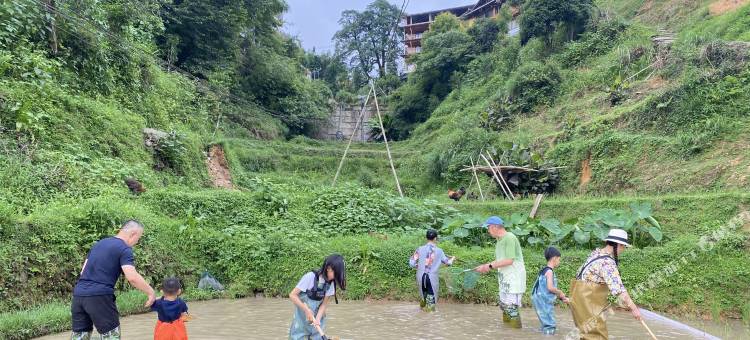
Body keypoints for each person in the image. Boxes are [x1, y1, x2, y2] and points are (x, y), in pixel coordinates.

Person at [71, 220, 156, 340]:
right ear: (133, 233)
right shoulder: (124, 249)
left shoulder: (99, 244)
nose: (137, 242)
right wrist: (151, 292)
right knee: (111, 336)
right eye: (138, 238)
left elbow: (83, 270)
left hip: (79, 295)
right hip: (100, 296)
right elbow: (132, 277)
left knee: (80, 335)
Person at [569, 229, 642, 340]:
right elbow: (619, 290)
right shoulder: (607, 263)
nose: (623, 249)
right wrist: (634, 308)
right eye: (623, 246)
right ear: (618, 245)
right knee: (596, 336)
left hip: (577, 299)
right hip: (587, 301)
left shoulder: (596, 253)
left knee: (585, 334)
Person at [475, 216, 526, 328]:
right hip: (505, 280)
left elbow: (509, 260)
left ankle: (515, 334)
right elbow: (500, 260)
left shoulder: (509, 238)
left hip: (514, 281)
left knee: (511, 309)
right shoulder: (499, 241)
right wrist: (485, 266)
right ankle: (508, 333)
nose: (488, 231)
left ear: (494, 227)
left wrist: (489, 266)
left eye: (488, 228)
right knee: (504, 306)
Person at [289, 254, 347, 340]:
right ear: (329, 268)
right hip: (301, 320)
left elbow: (324, 304)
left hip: (318, 320)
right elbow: (292, 295)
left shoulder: (331, 284)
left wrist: (318, 320)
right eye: (336, 273)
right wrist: (306, 310)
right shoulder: (310, 277)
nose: (336, 277)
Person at [409, 229, 455, 311]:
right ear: (435, 238)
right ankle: (429, 318)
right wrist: (453, 258)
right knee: (431, 300)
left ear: (426, 238)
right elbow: (448, 263)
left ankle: (421, 314)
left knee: (423, 296)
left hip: (421, 277)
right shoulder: (439, 251)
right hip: (432, 278)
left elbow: (411, 263)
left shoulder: (419, 249)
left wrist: (418, 266)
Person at [531, 246, 569, 335]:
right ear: (554, 258)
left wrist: (561, 297)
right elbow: (550, 288)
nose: (559, 262)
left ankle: (544, 334)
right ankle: (548, 336)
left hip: (538, 298)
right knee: (550, 324)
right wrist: (560, 292)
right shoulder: (549, 272)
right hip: (543, 300)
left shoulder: (543, 270)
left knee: (546, 321)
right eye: (559, 259)